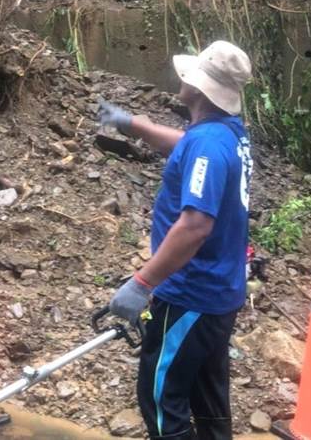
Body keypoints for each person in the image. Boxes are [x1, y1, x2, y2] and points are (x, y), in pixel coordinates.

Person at [98, 40, 253, 440]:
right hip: (218, 294)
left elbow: (194, 226)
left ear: (199, 90)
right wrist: (132, 124)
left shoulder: (208, 146)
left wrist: (142, 283)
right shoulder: (224, 134)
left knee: (162, 400)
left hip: (189, 295)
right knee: (208, 398)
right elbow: (183, 144)